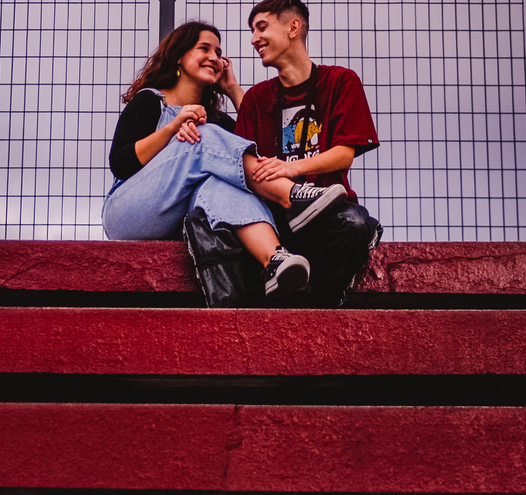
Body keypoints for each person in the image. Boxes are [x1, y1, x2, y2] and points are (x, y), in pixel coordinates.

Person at [102, 21, 347, 298]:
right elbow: (121, 164)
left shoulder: (215, 121)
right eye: (204, 49)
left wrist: (231, 88)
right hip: (129, 212)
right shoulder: (151, 101)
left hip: (176, 219)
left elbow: (261, 149)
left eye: (218, 53)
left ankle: (274, 261)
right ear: (179, 56)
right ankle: (291, 196)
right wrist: (173, 129)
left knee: (226, 179)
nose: (214, 57)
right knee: (202, 138)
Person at [234, 0, 382, 307]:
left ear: (294, 27)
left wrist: (292, 168)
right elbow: (242, 165)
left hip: (327, 212)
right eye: (252, 31)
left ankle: (323, 315)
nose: (254, 39)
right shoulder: (256, 99)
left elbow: (344, 154)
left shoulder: (340, 81)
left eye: (262, 27)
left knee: (356, 226)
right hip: (273, 216)